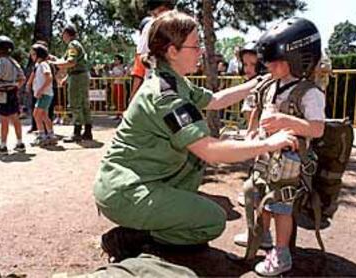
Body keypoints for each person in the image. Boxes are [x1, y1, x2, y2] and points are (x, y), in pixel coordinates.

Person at [94, 10, 299, 263]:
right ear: (172, 51)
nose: (201, 51)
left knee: (193, 169)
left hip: (136, 181)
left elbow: (215, 100)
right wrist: (267, 143)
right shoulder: (166, 96)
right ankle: (135, 238)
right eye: (195, 45)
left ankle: (150, 226)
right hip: (125, 191)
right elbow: (210, 151)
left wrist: (261, 81)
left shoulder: (173, 81)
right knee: (212, 221)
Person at [233, 17, 325, 276]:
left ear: (297, 59)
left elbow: (317, 129)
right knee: (260, 196)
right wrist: (254, 135)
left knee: (280, 206)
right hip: (266, 156)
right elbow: (260, 111)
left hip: (290, 163)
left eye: (275, 61)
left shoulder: (309, 92)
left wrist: (288, 121)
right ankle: (262, 237)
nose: (268, 65)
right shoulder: (272, 85)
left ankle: (282, 253)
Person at [50, 24, 92, 142]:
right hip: (80, 75)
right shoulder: (77, 44)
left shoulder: (72, 45)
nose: (61, 36)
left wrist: (54, 64)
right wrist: (56, 61)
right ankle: (88, 131)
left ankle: (77, 132)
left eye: (62, 34)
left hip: (77, 77)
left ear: (66, 34)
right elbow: (72, 62)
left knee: (75, 103)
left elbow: (71, 62)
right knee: (84, 103)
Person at [129, 0, 175, 99]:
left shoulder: (175, 25)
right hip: (157, 84)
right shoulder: (151, 26)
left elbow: (139, 65)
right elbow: (140, 63)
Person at [0, 36, 26, 154]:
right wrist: (15, 86)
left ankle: (3, 145)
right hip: (12, 91)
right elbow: (22, 78)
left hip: (2, 92)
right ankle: (20, 143)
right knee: (15, 118)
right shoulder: (13, 62)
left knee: (4, 119)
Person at [29, 43, 56, 146]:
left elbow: (49, 78)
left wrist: (40, 90)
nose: (32, 57)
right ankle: (50, 135)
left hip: (44, 94)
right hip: (45, 94)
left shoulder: (44, 64)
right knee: (44, 115)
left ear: (38, 55)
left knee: (36, 114)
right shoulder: (38, 65)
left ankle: (41, 135)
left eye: (33, 54)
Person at [239, 41, 267, 124]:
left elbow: (249, 114)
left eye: (253, 64)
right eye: (245, 64)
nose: (247, 69)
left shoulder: (258, 88)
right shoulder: (250, 86)